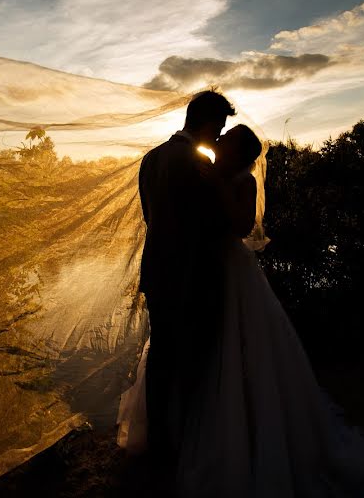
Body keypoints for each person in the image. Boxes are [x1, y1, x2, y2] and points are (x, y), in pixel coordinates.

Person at [121, 121, 364, 497]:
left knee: (241, 346)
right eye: (220, 136)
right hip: (204, 269)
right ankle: (196, 425)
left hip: (232, 271)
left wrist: (215, 184)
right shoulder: (203, 167)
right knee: (208, 347)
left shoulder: (241, 181)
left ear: (240, 152)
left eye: (226, 139)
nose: (218, 140)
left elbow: (241, 226)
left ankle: (245, 428)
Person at [133, 90, 237, 470]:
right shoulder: (193, 161)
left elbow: (150, 216)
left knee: (162, 355)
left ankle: (161, 436)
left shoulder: (152, 158)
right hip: (190, 274)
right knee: (191, 358)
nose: (218, 136)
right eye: (219, 128)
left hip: (159, 270)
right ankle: (185, 439)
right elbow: (208, 225)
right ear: (208, 124)